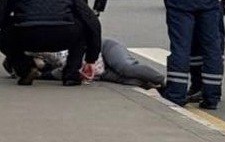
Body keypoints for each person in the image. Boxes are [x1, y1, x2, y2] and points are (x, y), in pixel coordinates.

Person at [0, 0, 102, 86]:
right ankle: (71, 75)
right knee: (81, 29)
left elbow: (2, 11)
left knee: (5, 34)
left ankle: (26, 69)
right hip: (63, 35)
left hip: (28, 35)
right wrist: (91, 58)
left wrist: (9, 28)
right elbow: (91, 21)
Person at [32, 38, 165, 89]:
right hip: (98, 71)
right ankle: (157, 87)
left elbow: (69, 64)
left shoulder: (47, 50)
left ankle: (164, 80)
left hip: (102, 50)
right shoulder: (50, 71)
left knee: (126, 68)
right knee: (129, 81)